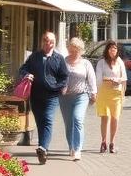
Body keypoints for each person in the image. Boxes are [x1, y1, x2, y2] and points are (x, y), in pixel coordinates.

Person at [18, 31, 69, 164]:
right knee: (40, 122)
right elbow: (23, 69)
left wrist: (57, 86)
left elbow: (64, 76)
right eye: (46, 40)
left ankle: (43, 147)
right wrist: (26, 75)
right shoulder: (34, 57)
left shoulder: (59, 59)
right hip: (35, 95)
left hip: (51, 96)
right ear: (42, 42)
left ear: (55, 43)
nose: (48, 44)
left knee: (47, 119)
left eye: (51, 41)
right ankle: (42, 149)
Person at [60, 36, 97, 160]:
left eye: (76, 49)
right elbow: (59, 77)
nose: (73, 52)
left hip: (81, 96)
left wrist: (94, 93)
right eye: (71, 49)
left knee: (78, 119)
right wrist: (60, 87)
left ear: (80, 50)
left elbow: (91, 79)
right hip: (65, 97)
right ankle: (71, 145)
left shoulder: (86, 63)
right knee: (68, 123)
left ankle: (77, 149)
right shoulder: (63, 62)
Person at [95, 39, 127, 153]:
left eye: (115, 48)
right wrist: (96, 92)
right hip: (103, 92)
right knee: (105, 117)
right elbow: (98, 78)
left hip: (116, 93)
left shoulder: (119, 62)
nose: (113, 50)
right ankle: (103, 142)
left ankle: (112, 143)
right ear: (107, 49)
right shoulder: (101, 62)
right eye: (111, 48)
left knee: (115, 118)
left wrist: (118, 81)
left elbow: (124, 77)